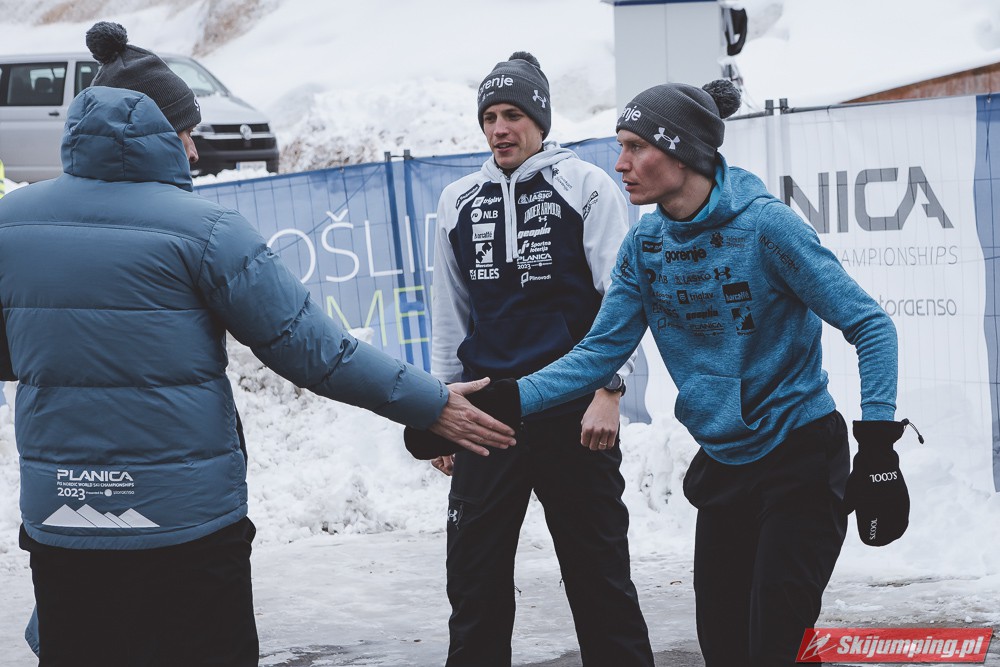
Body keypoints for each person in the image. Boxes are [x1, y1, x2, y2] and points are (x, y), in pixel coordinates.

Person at [0, 22, 514, 666]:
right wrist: (429, 402)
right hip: (185, 525)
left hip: (64, 519)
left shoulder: (11, 224)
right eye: (186, 133)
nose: (193, 151)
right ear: (158, 132)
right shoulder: (206, 230)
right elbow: (312, 349)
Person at [460, 79, 914, 666]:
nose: (620, 164)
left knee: (775, 646)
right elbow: (598, 354)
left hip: (798, 459)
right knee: (724, 649)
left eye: (635, 147)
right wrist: (503, 399)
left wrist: (877, 449)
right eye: (619, 147)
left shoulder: (766, 228)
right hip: (724, 465)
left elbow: (871, 325)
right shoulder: (644, 246)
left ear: (681, 153)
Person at [424, 51, 654, 667]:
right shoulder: (457, 200)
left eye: (514, 115)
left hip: (573, 412)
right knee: (473, 583)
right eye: (490, 117)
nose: (500, 129)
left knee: (600, 579)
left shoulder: (586, 186)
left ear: (540, 120)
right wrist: (443, 412)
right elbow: (449, 314)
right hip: (487, 416)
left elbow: (620, 299)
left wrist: (610, 390)